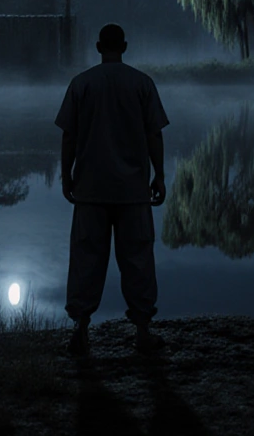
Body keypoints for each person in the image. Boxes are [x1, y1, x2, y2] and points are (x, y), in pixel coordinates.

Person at [55, 23, 169, 357]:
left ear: (97, 46)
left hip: (91, 189)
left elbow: (69, 136)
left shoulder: (81, 84)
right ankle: (143, 331)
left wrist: (66, 175)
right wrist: (159, 175)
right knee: (138, 259)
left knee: (86, 259)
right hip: (132, 191)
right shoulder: (142, 83)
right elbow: (154, 135)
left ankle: (80, 329)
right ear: (126, 46)